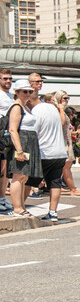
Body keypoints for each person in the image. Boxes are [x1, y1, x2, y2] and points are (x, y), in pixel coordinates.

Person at [6, 80, 43, 217]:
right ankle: (17, 208)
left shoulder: (25, 106)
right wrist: (19, 150)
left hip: (29, 142)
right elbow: (12, 130)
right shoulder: (16, 107)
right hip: (22, 142)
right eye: (24, 91)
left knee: (24, 176)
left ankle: (21, 206)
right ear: (17, 92)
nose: (27, 94)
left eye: (29, 91)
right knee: (18, 174)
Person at [32, 90, 68, 222]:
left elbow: (33, 132)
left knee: (27, 182)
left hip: (44, 152)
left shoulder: (37, 110)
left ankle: (21, 208)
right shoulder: (55, 110)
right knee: (55, 183)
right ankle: (53, 212)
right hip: (59, 153)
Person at [54, 97, 80, 196]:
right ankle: (72, 189)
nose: (67, 100)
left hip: (67, 143)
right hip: (64, 143)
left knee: (65, 167)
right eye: (65, 98)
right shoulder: (61, 113)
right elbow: (62, 125)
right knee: (66, 167)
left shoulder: (62, 113)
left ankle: (70, 187)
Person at [0, 68, 14, 212]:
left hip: (7, 135)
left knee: (5, 169)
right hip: (1, 132)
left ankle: (2, 197)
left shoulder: (10, 95)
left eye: (10, 78)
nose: (8, 81)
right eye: (5, 78)